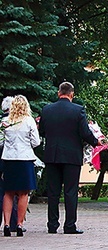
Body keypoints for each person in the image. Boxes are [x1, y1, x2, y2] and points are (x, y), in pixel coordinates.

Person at [39, 82, 103, 234]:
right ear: (72, 94)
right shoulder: (78, 110)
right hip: (71, 156)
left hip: (52, 155)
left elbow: (41, 131)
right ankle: (69, 226)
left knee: (53, 192)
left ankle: (52, 225)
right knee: (70, 191)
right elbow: (85, 132)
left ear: (58, 93)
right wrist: (96, 142)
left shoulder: (47, 110)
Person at [0, 95, 41, 236]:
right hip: (25, 159)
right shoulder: (28, 121)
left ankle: (6, 225)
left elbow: (0, 141)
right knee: (23, 193)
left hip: (9, 159)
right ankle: (19, 224)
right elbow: (36, 142)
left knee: (8, 192)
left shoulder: (5, 121)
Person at [0, 96, 20, 233]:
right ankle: (14, 223)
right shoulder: (17, 122)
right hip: (11, 159)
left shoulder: (2, 122)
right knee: (12, 192)